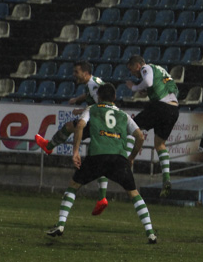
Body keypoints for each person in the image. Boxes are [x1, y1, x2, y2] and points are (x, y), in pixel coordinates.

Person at [45, 83, 157, 244]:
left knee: (73, 186)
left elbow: (81, 126)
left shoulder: (92, 109)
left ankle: (61, 224)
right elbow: (140, 136)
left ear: (98, 97)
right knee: (133, 193)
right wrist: (131, 157)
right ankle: (150, 232)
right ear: (115, 98)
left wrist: (75, 151)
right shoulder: (123, 115)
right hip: (118, 158)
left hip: (97, 156)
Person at [35, 61, 109, 209]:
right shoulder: (94, 82)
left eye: (77, 72)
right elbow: (92, 96)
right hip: (104, 122)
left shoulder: (93, 85)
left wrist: (82, 112)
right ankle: (102, 198)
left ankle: (49, 146)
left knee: (71, 127)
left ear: (86, 73)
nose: (74, 74)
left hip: (98, 122)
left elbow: (100, 105)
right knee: (98, 157)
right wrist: (77, 100)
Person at [125, 54, 179, 198]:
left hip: (160, 107)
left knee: (132, 128)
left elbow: (148, 82)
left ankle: (125, 164)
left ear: (137, 65)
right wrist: (146, 91)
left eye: (132, 70)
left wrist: (134, 87)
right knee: (160, 144)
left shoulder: (146, 68)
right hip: (174, 109)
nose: (133, 74)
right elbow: (166, 88)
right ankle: (166, 178)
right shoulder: (161, 70)